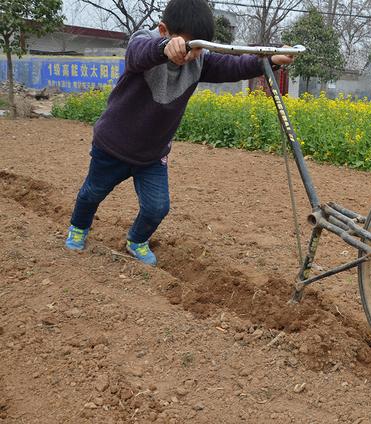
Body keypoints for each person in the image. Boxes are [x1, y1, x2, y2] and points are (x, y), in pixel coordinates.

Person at [64, 0, 293, 266]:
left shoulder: (199, 60)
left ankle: (136, 240)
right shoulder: (145, 43)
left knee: (157, 207)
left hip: (152, 155)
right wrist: (164, 48)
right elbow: (138, 53)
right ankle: (79, 227)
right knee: (92, 192)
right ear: (164, 30)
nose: (194, 54)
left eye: (200, 48)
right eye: (189, 46)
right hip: (113, 146)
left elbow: (235, 64)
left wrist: (272, 58)